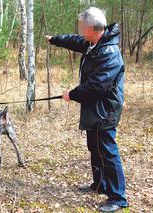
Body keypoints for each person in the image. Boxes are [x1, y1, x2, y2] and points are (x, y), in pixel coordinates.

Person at [45, 7, 128, 212]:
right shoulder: (94, 43)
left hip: (106, 109)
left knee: (107, 150)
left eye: (82, 26)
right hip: (95, 108)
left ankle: (118, 198)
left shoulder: (109, 52)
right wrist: (55, 39)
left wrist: (71, 94)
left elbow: (97, 86)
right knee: (95, 147)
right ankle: (100, 185)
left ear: (91, 27)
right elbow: (75, 41)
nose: (80, 29)